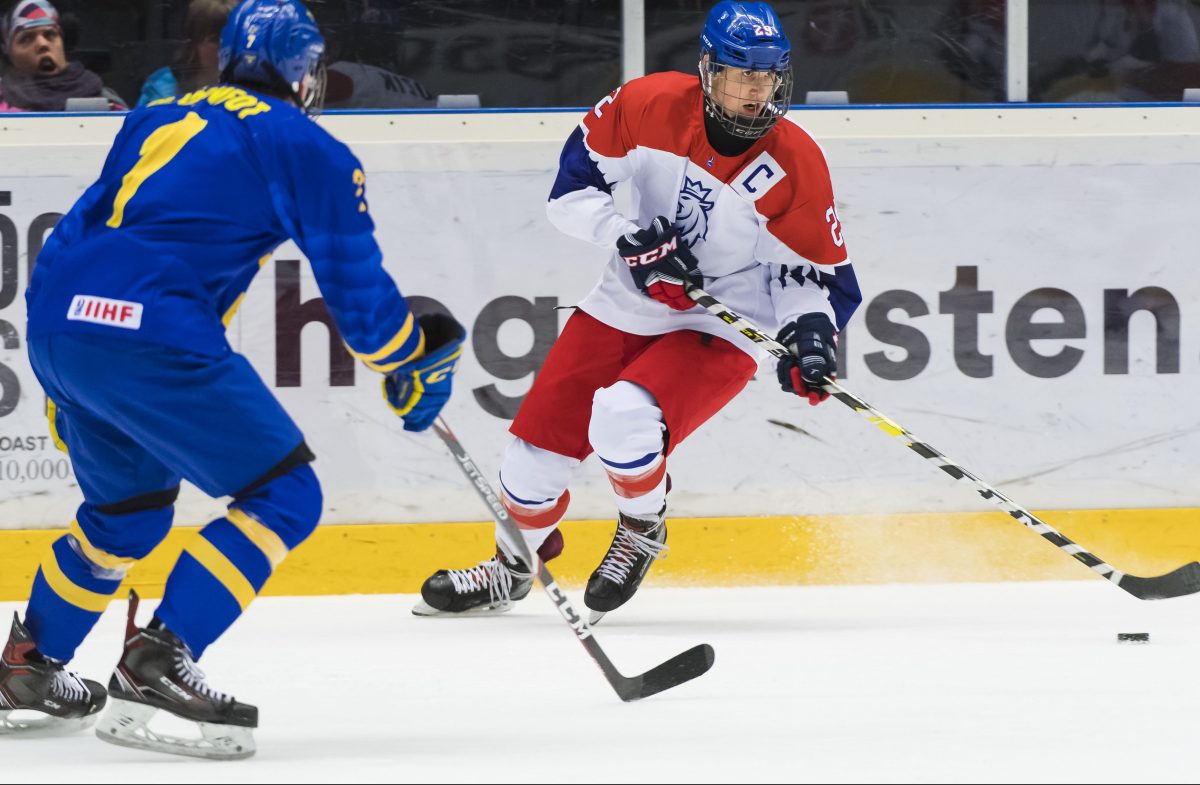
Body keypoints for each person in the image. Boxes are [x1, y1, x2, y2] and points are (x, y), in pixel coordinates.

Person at [0, 0, 464, 759]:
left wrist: (61, 369)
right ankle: (158, 661)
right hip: (149, 330)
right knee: (285, 495)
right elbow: (358, 294)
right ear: (302, 69)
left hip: (59, 324)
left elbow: (79, 227)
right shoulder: (307, 145)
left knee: (128, 512)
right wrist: (412, 356)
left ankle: (26, 666)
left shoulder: (158, 116)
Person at [415, 1, 861, 622]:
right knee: (526, 473)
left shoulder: (794, 161)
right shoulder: (648, 104)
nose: (755, 92)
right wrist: (629, 237)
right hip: (627, 300)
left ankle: (643, 529)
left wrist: (809, 334)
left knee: (623, 417)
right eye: (740, 75)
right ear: (708, 70)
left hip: (722, 319)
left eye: (767, 78)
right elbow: (569, 195)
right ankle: (514, 568)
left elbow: (815, 275)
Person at [0, 0, 125, 111]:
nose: (43, 44)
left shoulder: (104, 102)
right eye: (27, 38)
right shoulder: (3, 102)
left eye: (50, 35)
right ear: (9, 53)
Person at [136, 0, 239, 107]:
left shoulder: (251, 85)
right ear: (194, 42)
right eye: (214, 39)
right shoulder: (162, 88)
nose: (224, 47)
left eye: (230, 39)